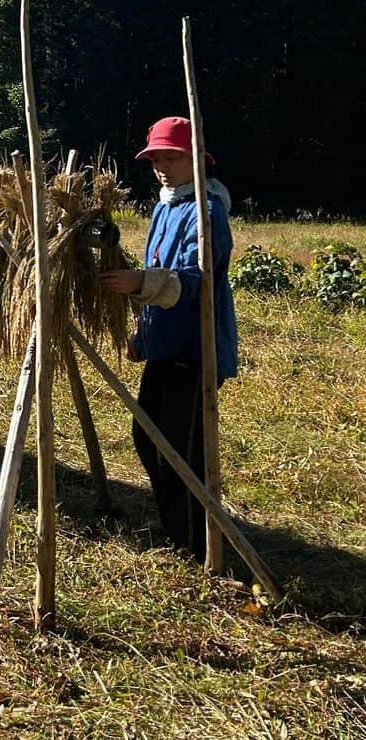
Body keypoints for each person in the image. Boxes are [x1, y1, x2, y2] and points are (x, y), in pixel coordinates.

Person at [100, 116, 238, 562]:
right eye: (156, 158)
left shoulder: (208, 211)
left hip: (195, 348)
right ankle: (177, 527)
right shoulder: (165, 205)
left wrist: (143, 281)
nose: (162, 166)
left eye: (171, 157)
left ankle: (197, 542)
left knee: (182, 450)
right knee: (147, 437)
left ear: (197, 159)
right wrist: (142, 332)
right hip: (164, 342)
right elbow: (156, 265)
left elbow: (198, 279)